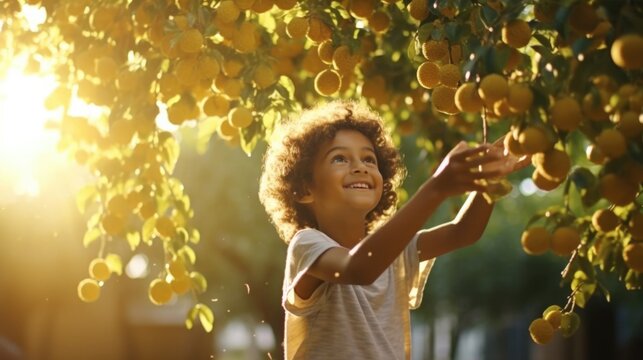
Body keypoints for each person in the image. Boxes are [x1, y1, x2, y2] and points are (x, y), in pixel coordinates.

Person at [258, 99, 527, 360]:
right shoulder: (307, 244)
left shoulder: (391, 253)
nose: (360, 167)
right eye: (339, 158)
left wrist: (493, 175)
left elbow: (463, 232)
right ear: (304, 189)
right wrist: (435, 188)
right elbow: (357, 268)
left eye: (369, 160)